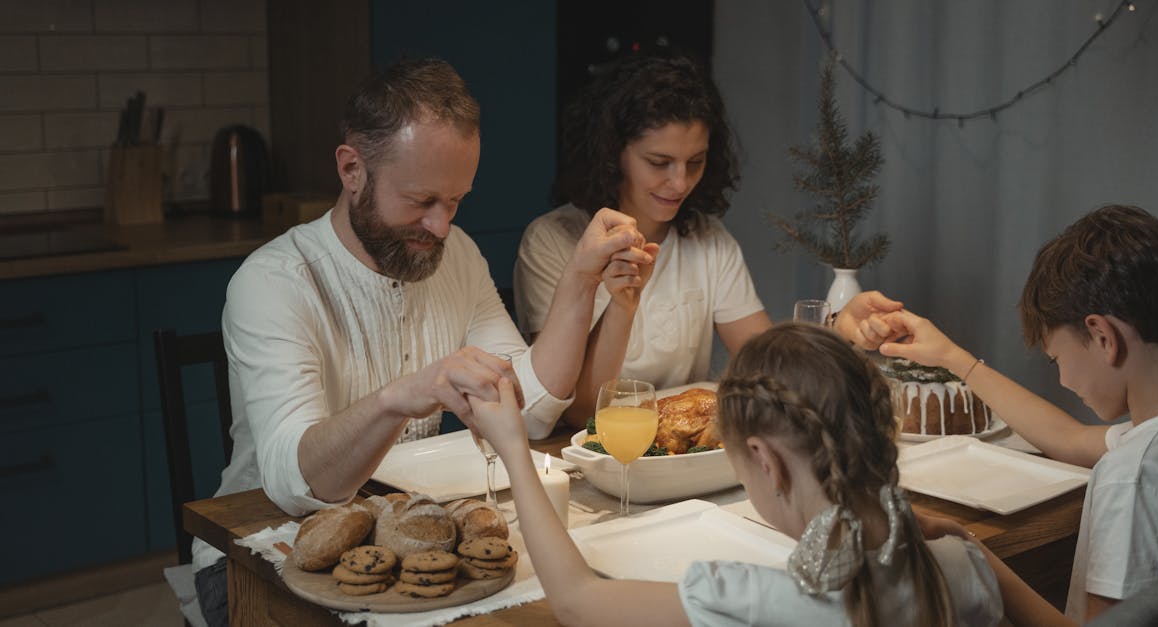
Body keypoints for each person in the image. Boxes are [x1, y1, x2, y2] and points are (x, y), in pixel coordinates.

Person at [191, 59, 654, 626]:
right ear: (352, 169)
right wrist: (401, 395)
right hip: (260, 557)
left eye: (455, 201)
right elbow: (297, 485)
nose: (440, 226)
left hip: (405, 545)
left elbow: (529, 413)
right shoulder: (274, 282)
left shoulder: (456, 255)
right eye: (420, 201)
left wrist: (581, 280)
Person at [463, 322, 1003, 627]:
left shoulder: (749, 597)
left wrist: (514, 447)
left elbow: (576, 601)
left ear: (765, 461)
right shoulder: (963, 569)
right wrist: (958, 535)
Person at [879, 205, 1158, 624]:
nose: (1064, 379)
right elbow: (1066, 438)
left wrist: (974, 553)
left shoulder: (1133, 477)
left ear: (1103, 337)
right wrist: (953, 358)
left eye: (1056, 360)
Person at [512, 52, 771, 423]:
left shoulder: (709, 238)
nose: (680, 183)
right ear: (613, 154)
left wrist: (836, 331)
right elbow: (582, 412)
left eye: (695, 162)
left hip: (679, 445)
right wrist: (621, 306)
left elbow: (765, 360)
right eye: (659, 162)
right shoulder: (551, 240)